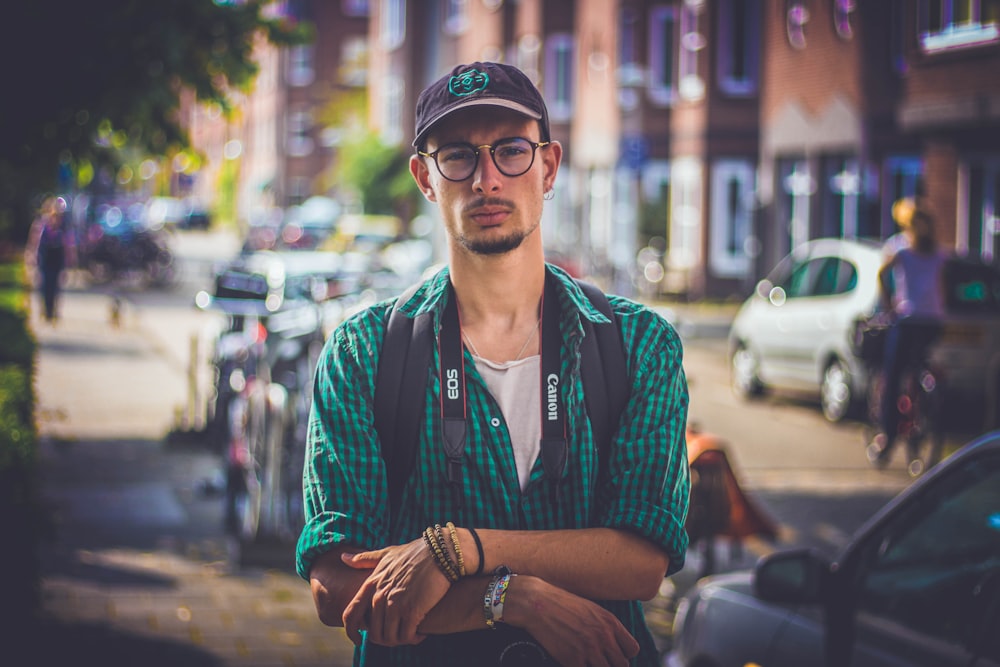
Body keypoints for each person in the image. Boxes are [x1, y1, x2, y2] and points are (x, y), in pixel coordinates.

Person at [296, 61, 690, 667]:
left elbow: (642, 561)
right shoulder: (363, 354)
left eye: (510, 150)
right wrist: (512, 598)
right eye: (457, 155)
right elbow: (337, 585)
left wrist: (460, 549)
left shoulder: (638, 346)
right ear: (425, 178)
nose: (486, 179)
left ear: (549, 166)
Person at [868, 205, 947, 475]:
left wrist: (888, 303)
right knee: (920, 368)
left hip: (908, 319)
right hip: (933, 322)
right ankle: (925, 407)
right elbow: (944, 284)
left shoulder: (900, 247)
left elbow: (881, 274)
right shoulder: (938, 252)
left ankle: (888, 436)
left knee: (893, 376)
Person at [25, 196, 76, 323]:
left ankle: (52, 310)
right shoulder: (41, 225)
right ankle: (46, 310)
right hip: (45, 259)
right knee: (44, 285)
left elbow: (69, 244)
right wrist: (31, 256)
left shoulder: (63, 227)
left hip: (57, 260)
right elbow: (34, 242)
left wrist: (71, 260)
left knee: (55, 286)